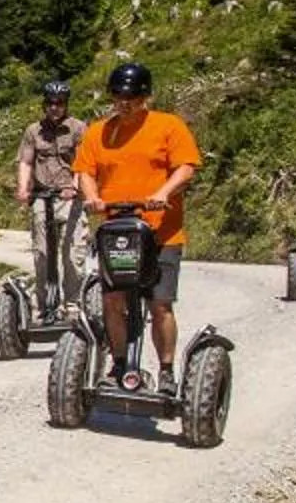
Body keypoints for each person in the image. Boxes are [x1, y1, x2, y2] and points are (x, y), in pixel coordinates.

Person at [70, 61, 201, 392]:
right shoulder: (99, 131)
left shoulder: (168, 126)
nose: (123, 103)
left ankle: (168, 372)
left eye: (130, 97)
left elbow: (185, 167)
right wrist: (92, 197)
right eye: (117, 97)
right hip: (117, 231)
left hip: (161, 232)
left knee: (160, 303)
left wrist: (163, 193)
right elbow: (85, 170)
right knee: (113, 300)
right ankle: (118, 366)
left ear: (146, 97)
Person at [12, 80, 87, 308]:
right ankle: (45, 305)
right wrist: (23, 189)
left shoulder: (78, 128)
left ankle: (73, 303)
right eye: (51, 103)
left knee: (72, 254)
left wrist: (74, 187)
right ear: (44, 104)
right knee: (42, 253)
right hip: (42, 197)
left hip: (70, 198)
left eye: (60, 103)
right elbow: (26, 162)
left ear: (66, 105)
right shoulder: (33, 131)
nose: (55, 107)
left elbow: (84, 163)